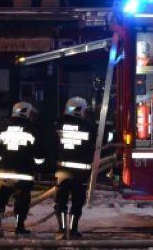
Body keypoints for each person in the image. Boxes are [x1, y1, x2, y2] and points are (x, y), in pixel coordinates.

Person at [0, 102, 46, 237]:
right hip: (24, 175)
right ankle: (19, 227)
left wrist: (2, 163)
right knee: (22, 202)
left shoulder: (1, 129)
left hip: (3, 174)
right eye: (31, 114)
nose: (33, 117)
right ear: (26, 113)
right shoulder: (33, 131)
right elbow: (39, 156)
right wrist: (38, 166)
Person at [53, 97, 96, 240]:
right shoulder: (88, 126)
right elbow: (95, 144)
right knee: (77, 203)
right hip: (80, 173)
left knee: (61, 201)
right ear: (80, 110)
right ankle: (72, 230)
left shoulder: (59, 123)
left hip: (62, 172)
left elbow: (52, 143)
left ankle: (61, 230)